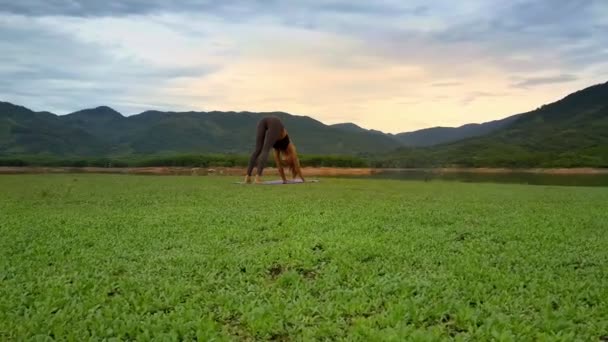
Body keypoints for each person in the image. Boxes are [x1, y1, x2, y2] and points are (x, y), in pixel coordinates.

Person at [245, 116, 305, 184]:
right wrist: (303, 180)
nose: (284, 160)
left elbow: (279, 166)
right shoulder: (291, 148)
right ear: (290, 158)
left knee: (258, 150)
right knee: (265, 150)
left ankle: (247, 177)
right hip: (275, 123)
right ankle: (257, 178)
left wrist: (284, 180)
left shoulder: (277, 149)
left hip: (263, 121)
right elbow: (297, 167)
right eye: (286, 161)